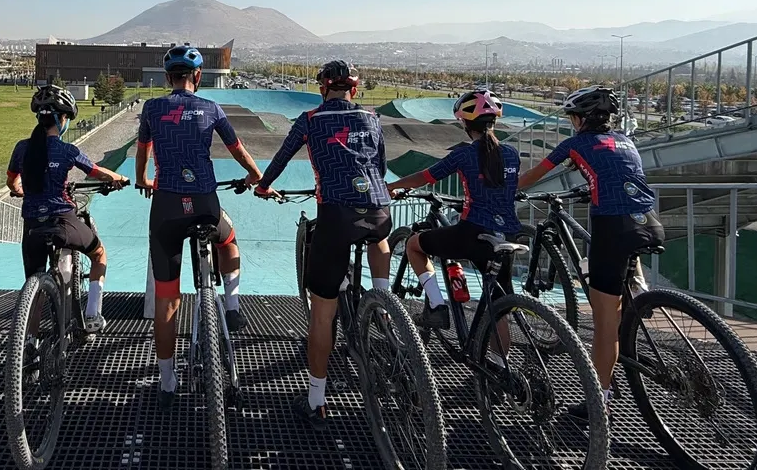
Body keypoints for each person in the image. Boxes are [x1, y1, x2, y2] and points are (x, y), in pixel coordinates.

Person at [254, 60, 393, 429]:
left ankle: (316, 401)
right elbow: (380, 166)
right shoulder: (373, 117)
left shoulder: (311, 119)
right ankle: (384, 303)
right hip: (379, 210)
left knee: (322, 313)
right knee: (379, 236)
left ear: (323, 89)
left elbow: (281, 158)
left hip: (336, 216)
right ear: (354, 89)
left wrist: (264, 186)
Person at [517, 85, 662, 420]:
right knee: (620, 278)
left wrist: (502, 190)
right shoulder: (626, 140)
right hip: (649, 221)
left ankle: (600, 403)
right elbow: (616, 173)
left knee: (604, 324)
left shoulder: (575, 144)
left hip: (613, 227)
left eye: (572, 117)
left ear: (580, 119)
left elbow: (533, 176)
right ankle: (639, 289)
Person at [136, 44, 262, 408]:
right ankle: (232, 306)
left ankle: (167, 382)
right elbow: (238, 149)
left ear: (167, 78)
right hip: (205, 204)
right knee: (229, 238)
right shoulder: (211, 108)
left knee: (167, 297)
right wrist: (255, 175)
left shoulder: (152, 108)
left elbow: (143, 151)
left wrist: (143, 179)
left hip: (166, 207)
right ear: (198, 76)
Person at [387, 89, 521, 330]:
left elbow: (425, 177)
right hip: (508, 234)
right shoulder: (511, 153)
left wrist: (393, 185)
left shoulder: (464, 154)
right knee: (498, 307)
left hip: (473, 233)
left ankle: (437, 307)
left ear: (465, 124)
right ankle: (496, 355)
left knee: (413, 245)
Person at [6, 85, 130, 332]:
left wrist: (19, 189)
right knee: (99, 254)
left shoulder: (22, 148)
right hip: (62, 221)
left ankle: (28, 341)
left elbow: (12, 181)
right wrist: (119, 178)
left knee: (34, 286)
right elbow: (97, 172)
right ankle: (92, 315)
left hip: (32, 226)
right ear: (63, 119)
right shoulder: (67, 150)